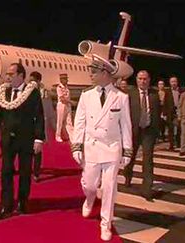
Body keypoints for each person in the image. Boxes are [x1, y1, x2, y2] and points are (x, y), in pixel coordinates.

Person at [72, 59, 132, 241]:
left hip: (112, 147)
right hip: (92, 146)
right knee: (90, 185)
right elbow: (79, 122)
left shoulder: (121, 97)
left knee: (109, 188)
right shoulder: (86, 95)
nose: (90, 74)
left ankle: (105, 223)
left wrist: (127, 149)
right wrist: (76, 145)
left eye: (94, 71)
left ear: (105, 73)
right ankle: (89, 199)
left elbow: (126, 125)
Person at [0, 63, 44, 220]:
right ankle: (5, 205)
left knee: (25, 172)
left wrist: (39, 138)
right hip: (8, 140)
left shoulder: (32, 93)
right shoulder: (4, 91)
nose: (7, 77)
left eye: (11, 74)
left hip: (26, 139)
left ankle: (23, 202)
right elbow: (0, 114)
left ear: (21, 75)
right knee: (6, 172)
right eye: (7, 74)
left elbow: (39, 116)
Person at [124, 70, 161, 201]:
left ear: (149, 80)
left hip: (148, 132)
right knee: (131, 157)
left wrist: (157, 131)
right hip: (134, 131)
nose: (142, 81)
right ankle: (127, 176)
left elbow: (157, 114)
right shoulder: (130, 94)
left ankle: (147, 188)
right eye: (140, 78)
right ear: (136, 80)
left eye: (145, 79)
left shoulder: (154, 95)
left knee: (148, 160)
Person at [29, 71, 56, 182]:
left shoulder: (44, 93)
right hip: (27, 125)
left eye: (33, 81)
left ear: (39, 81)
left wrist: (54, 127)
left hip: (39, 125)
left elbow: (49, 111)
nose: (31, 83)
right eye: (30, 81)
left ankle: (36, 172)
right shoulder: (26, 92)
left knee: (37, 150)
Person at [55, 73, 73, 142]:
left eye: (66, 79)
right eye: (65, 79)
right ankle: (58, 136)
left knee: (69, 121)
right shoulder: (59, 87)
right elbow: (62, 98)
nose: (67, 81)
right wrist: (71, 102)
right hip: (61, 105)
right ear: (61, 80)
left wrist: (69, 103)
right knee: (60, 121)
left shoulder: (66, 87)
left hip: (67, 105)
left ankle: (71, 136)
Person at [166, 76, 182, 149]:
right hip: (170, 113)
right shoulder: (167, 92)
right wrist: (164, 113)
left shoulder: (181, 91)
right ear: (170, 83)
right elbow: (165, 104)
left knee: (179, 128)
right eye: (172, 82)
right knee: (170, 129)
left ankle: (178, 143)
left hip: (179, 112)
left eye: (175, 81)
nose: (173, 83)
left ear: (177, 82)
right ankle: (171, 144)